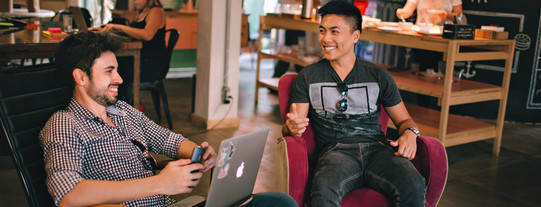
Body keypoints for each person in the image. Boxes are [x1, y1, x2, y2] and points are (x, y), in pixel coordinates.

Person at [40, 31, 297, 207]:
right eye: (109, 71)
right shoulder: (65, 123)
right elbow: (69, 194)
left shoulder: (123, 111)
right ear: (81, 77)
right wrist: (159, 183)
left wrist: (198, 152)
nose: (119, 78)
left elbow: (168, 140)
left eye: (117, 69)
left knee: (280, 202)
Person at [282, 1, 426, 206]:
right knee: (323, 190)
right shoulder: (309, 76)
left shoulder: (378, 75)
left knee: (414, 184)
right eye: (322, 31)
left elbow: (404, 120)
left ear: (355, 36)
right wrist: (290, 127)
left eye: (334, 31)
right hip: (335, 152)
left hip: (378, 150)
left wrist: (411, 133)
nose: (325, 38)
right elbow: (293, 126)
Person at [91, 0, 167, 102]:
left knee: (117, 69)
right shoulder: (142, 12)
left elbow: (147, 35)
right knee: (114, 66)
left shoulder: (156, 11)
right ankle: (114, 104)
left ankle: (120, 106)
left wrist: (120, 27)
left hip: (150, 64)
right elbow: (134, 32)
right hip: (142, 58)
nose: (134, 1)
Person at [396, 0, 462, 25]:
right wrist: (402, 13)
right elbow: (408, 10)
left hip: (444, 36)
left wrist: (447, 15)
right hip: (421, 35)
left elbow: (460, 16)